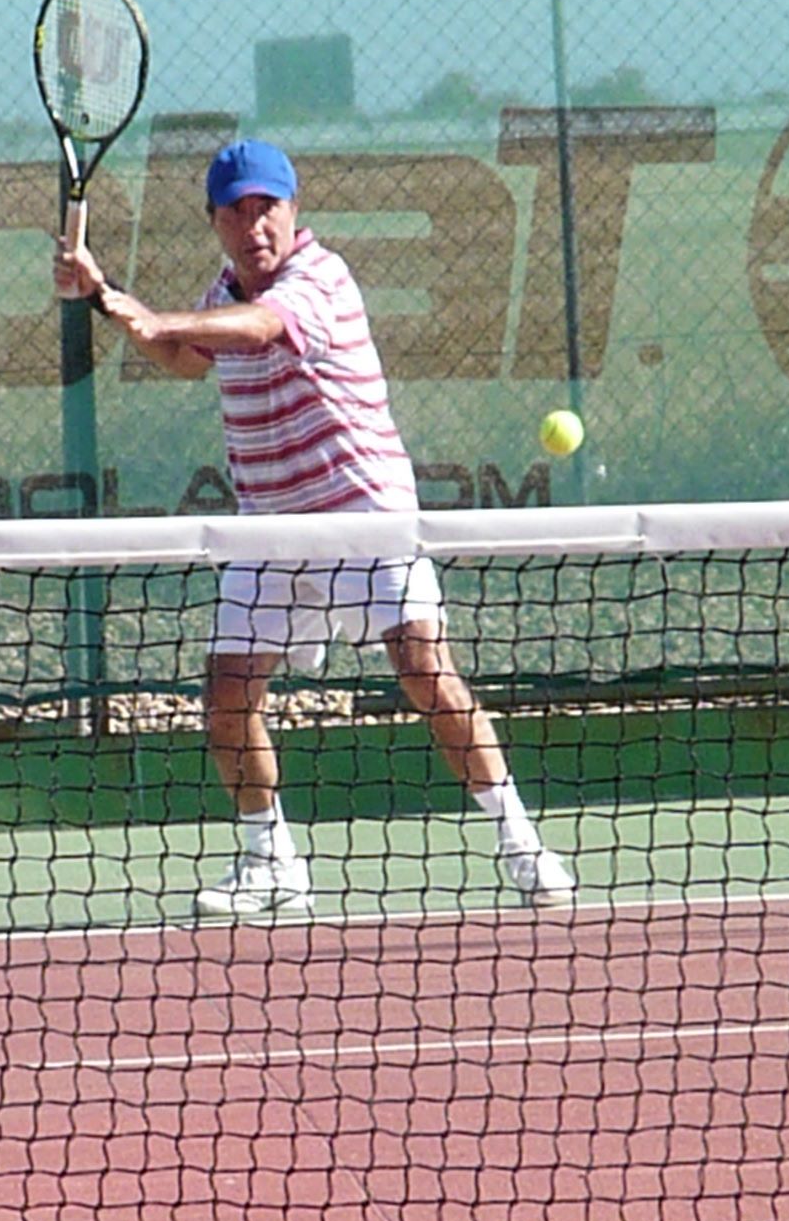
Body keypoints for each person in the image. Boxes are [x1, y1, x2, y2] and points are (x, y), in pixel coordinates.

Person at [53, 136, 575, 916]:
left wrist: (151, 314)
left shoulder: (319, 278)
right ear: (215, 222)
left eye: (268, 208)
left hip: (363, 513)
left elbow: (259, 328)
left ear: (294, 211)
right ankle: (271, 861)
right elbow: (185, 357)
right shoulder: (222, 290)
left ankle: (522, 845)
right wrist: (105, 296)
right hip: (269, 526)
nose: (254, 225)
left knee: (424, 671)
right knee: (227, 694)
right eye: (237, 212)